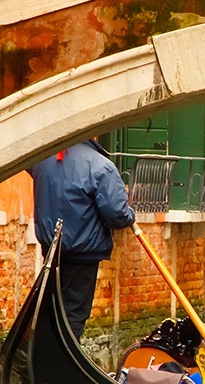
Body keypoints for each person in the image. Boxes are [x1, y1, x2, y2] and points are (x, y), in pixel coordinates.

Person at [30, 139, 135, 338]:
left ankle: (44, 360)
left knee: (49, 312)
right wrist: (131, 214)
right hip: (83, 255)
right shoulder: (101, 167)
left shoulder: (41, 160)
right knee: (73, 314)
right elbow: (117, 214)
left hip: (52, 252)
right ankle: (61, 365)